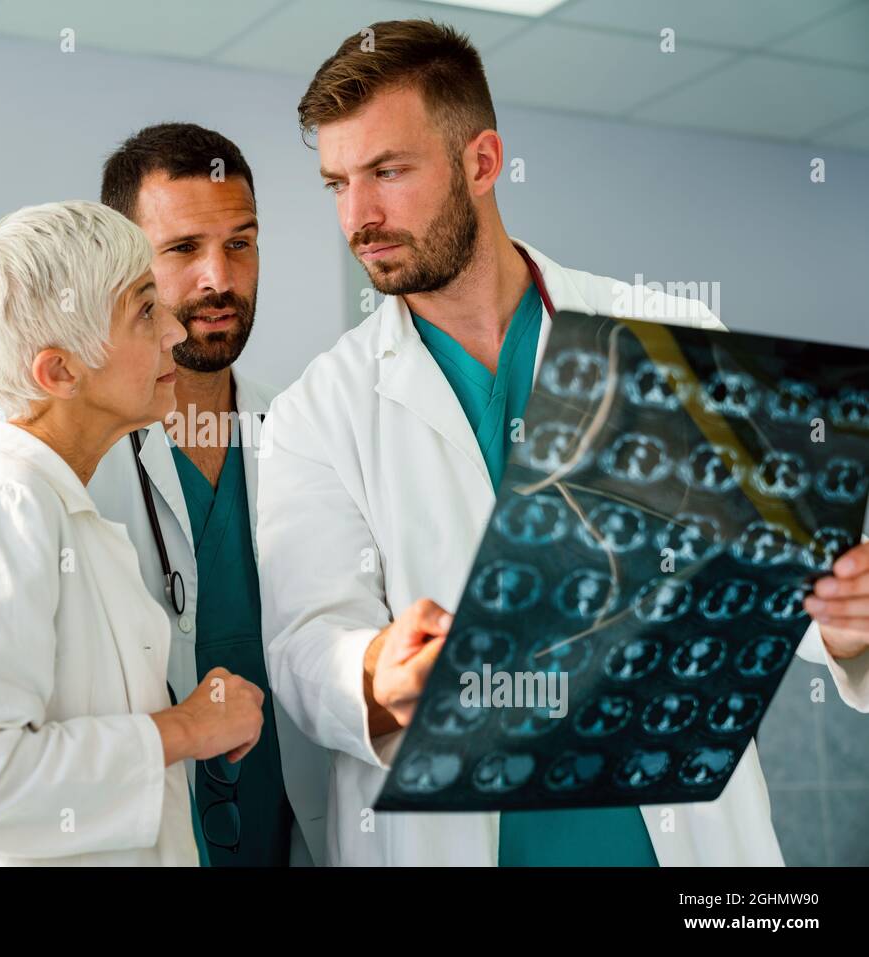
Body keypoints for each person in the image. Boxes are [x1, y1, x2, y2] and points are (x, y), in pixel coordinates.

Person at [256, 18, 869, 867]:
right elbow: (306, 641)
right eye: (336, 184)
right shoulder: (315, 414)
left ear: (481, 161)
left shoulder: (665, 337)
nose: (359, 216)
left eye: (388, 172)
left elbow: (774, 580)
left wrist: (844, 621)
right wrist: (375, 671)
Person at [0, 124, 331, 866]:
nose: (218, 278)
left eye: (241, 243)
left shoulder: (305, 434)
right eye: (183, 250)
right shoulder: (28, 462)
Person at [0, 200, 265, 866]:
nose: (173, 335)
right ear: (59, 372)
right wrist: (183, 729)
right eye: (144, 311)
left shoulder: (64, 512)